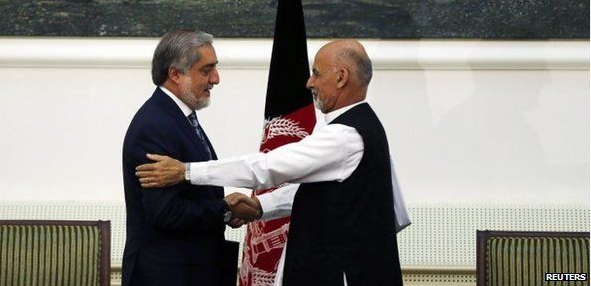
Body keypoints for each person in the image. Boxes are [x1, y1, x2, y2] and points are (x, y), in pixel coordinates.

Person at [136, 39, 405, 286]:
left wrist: (186, 171)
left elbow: (267, 167)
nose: (309, 83)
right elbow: (317, 193)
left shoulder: (345, 136)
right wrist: (260, 206)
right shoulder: (364, 126)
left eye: (317, 74)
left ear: (341, 78)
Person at [121, 29, 259, 286]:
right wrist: (225, 208)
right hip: (168, 275)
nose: (215, 79)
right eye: (206, 70)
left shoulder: (178, 117)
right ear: (175, 74)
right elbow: (165, 212)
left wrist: (226, 213)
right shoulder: (155, 126)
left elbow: (193, 193)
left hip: (193, 269)